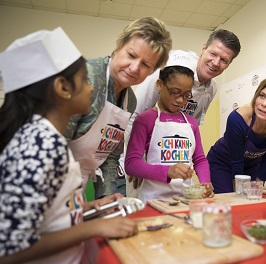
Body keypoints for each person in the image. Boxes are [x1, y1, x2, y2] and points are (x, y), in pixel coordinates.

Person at [0, 27, 138, 264]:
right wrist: (95, 227)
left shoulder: (49, 141)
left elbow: (50, 220)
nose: (92, 87)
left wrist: (86, 209)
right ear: (63, 88)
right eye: (84, 80)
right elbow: (10, 249)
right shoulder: (40, 144)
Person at [64, 17, 172, 199]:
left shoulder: (129, 101)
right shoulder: (84, 79)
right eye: (131, 55)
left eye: (146, 65)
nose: (134, 67)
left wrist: (106, 201)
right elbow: (52, 146)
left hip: (75, 188)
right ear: (117, 47)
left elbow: (108, 154)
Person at [125, 29, 241, 196]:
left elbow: (190, 130)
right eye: (213, 54)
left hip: (178, 168)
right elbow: (133, 115)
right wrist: (141, 163)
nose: (216, 63)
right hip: (148, 166)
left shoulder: (211, 89)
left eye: (224, 60)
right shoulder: (171, 69)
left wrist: (203, 179)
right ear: (203, 49)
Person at [124, 55, 214, 203]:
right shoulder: (145, 120)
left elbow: (199, 159)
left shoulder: (191, 123)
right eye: (174, 92)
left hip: (185, 198)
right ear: (160, 85)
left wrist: (205, 182)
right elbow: (132, 164)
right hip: (154, 199)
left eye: (186, 95)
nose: (180, 100)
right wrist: (167, 171)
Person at [207, 75, 266, 193]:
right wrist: (240, 191)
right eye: (262, 96)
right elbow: (236, 163)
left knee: (253, 197)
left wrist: (257, 187)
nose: (264, 103)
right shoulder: (237, 119)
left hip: (251, 166)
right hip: (223, 163)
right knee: (230, 197)